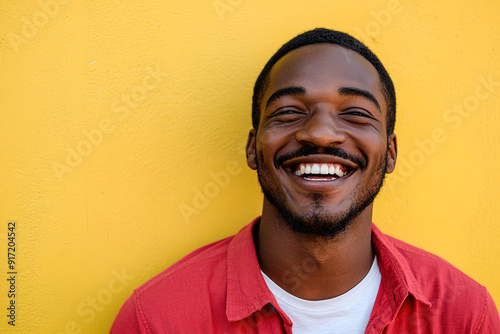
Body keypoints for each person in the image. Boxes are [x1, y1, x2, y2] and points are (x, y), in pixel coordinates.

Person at [110, 28, 500, 333]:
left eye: (356, 114)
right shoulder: (158, 320)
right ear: (253, 147)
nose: (320, 134)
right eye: (289, 111)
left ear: (391, 152)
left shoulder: (466, 315)